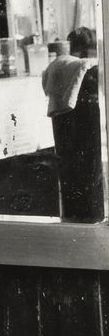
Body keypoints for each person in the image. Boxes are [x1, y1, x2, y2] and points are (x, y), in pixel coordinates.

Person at [50, 27, 104, 223]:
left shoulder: (72, 69)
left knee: (80, 175)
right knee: (86, 174)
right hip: (82, 120)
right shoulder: (86, 70)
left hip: (77, 121)